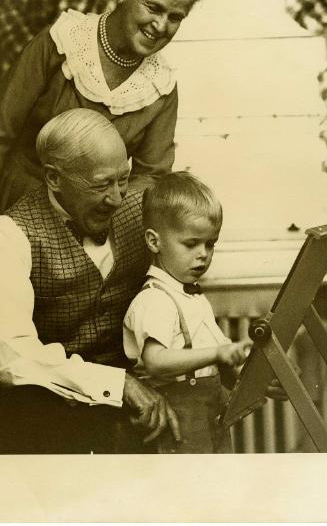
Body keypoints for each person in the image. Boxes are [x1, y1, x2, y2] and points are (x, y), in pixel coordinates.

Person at [0, 0, 208, 267]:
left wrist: (105, 228)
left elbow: (151, 177)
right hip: (17, 211)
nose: (160, 25)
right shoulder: (60, 44)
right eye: (153, 7)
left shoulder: (161, 86)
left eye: (175, 16)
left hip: (97, 231)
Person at [0, 108, 181, 453]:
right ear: (54, 178)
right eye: (101, 184)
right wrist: (117, 384)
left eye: (123, 179)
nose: (117, 199)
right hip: (56, 419)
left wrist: (221, 360)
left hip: (145, 412)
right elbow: (5, 354)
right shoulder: (10, 233)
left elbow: (181, 286)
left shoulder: (143, 208)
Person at [123, 172, 283, 454]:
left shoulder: (191, 296)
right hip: (178, 420)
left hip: (207, 414)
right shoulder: (154, 300)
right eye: (191, 243)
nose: (203, 254)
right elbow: (156, 361)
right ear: (154, 241)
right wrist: (217, 355)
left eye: (210, 244)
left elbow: (217, 352)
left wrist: (255, 374)